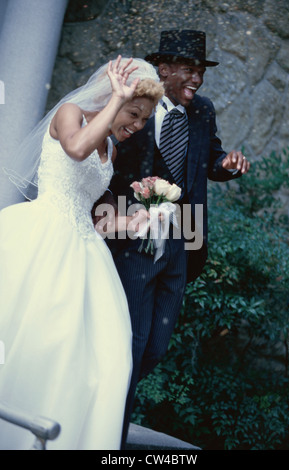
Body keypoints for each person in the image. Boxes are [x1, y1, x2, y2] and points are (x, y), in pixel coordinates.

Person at [0, 56, 164, 450]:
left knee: (110, 359)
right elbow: (74, 149)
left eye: (145, 119)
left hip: (86, 253)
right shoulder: (70, 114)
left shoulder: (109, 146)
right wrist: (115, 103)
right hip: (42, 242)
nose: (138, 126)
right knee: (41, 343)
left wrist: (133, 223)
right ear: (113, 94)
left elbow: (94, 220)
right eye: (134, 113)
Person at [104, 30, 250, 448]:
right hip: (134, 243)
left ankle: (111, 415)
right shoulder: (139, 106)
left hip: (183, 243)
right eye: (190, 70)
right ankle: (108, 434)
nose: (198, 80)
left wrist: (228, 164)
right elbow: (110, 162)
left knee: (154, 348)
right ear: (164, 69)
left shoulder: (202, 111)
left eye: (201, 72)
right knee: (130, 345)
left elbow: (211, 160)